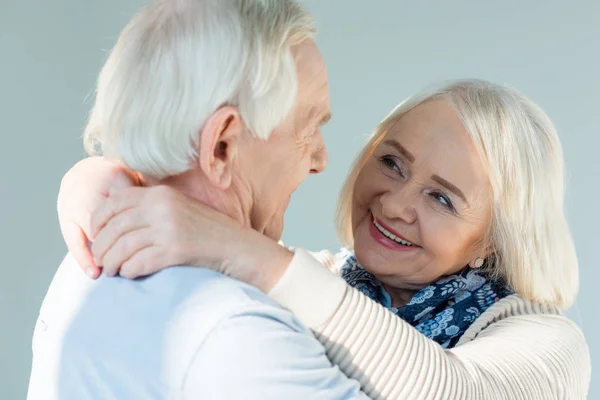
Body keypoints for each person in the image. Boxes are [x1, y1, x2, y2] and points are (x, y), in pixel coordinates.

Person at [60, 80, 591, 399]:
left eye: (442, 199)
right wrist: (100, 182)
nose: (394, 204)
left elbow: (453, 391)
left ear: (491, 243)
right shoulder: (308, 279)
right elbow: (184, 209)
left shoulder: (549, 344)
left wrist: (245, 251)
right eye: (392, 162)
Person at [27, 0, 370, 399]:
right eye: (308, 129)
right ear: (221, 147)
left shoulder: (84, 260)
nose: (321, 160)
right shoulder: (238, 333)